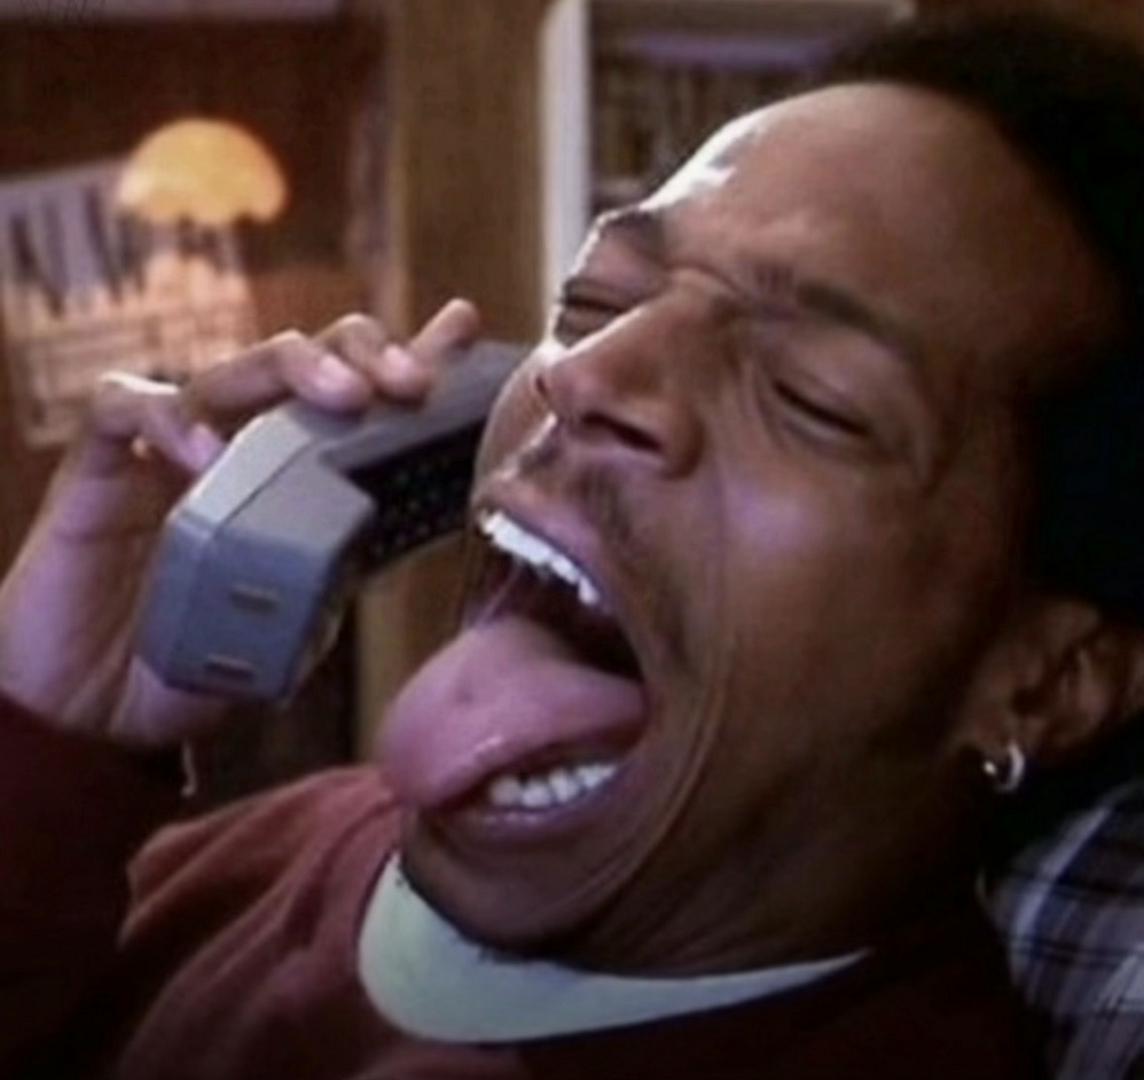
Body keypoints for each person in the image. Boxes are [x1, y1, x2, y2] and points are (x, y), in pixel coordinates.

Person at [4, 11, 1144, 1078]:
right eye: (595, 301)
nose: (583, 376)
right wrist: (49, 736)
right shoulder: (224, 862)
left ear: (1043, 681)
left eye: (813, 396)